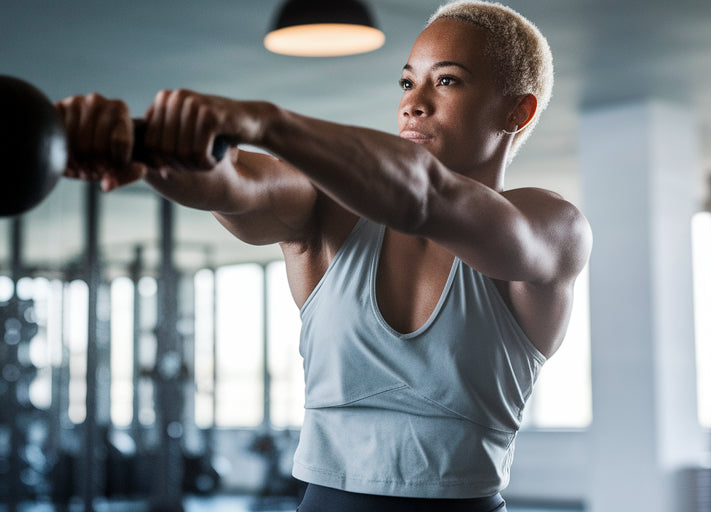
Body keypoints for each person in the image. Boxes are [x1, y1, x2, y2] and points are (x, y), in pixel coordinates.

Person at [56, 1, 590, 510]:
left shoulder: (550, 227)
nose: (414, 101)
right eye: (408, 81)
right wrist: (139, 145)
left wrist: (264, 122)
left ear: (517, 111)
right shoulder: (329, 215)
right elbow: (233, 181)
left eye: (446, 81)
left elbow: (428, 198)